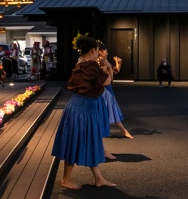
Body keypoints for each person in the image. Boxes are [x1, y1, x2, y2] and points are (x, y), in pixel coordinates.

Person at [51, 35, 116, 189]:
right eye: (98, 50)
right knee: (75, 142)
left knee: (89, 141)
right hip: (83, 110)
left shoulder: (81, 63)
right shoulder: (92, 66)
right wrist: (106, 67)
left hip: (79, 107)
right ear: (93, 50)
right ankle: (66, 180)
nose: (99, 53)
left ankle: (98, 178)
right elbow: (107, 82)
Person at [98, 42, 132, 139]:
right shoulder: (100, 61)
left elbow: (113, 73)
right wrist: (108, 66)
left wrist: (118, 63)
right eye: (105, 51)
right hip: (103, 90)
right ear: (100, 52)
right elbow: (109, 75)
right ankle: (122, 130)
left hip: (108, 88)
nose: (107, 53)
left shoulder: (105, 61)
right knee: (110, 109)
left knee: (111, 109)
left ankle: (122, 130)